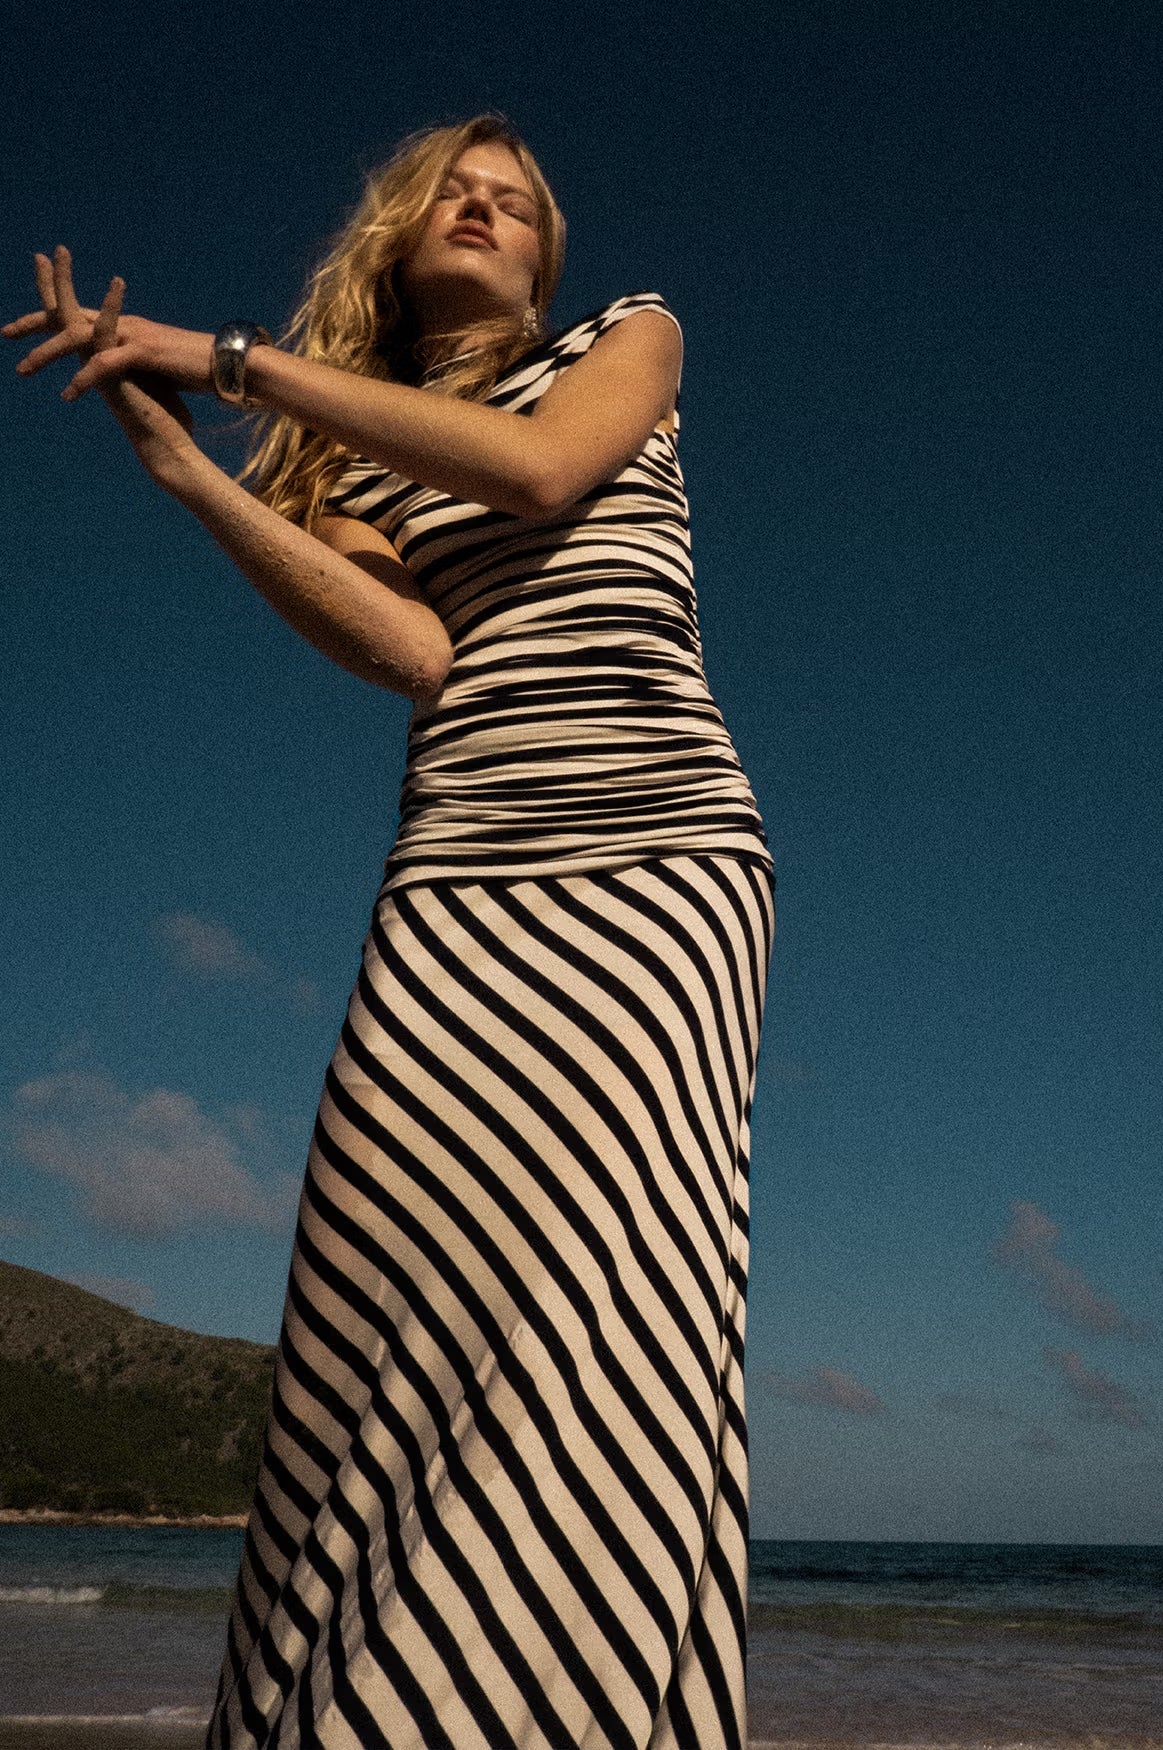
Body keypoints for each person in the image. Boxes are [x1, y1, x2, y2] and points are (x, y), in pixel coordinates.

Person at [6, 111, 775, 1750]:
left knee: (611, 1303)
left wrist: (230, 361)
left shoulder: (626, 334)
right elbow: (412, 652)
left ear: (545, 252)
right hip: (456, 877)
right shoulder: (353, 445)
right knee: (386, 1302)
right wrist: (185, 469)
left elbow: (544, 471)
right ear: (402, 237)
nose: (489, 214)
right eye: (459, 195)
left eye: (515, 204)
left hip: (658, 863)